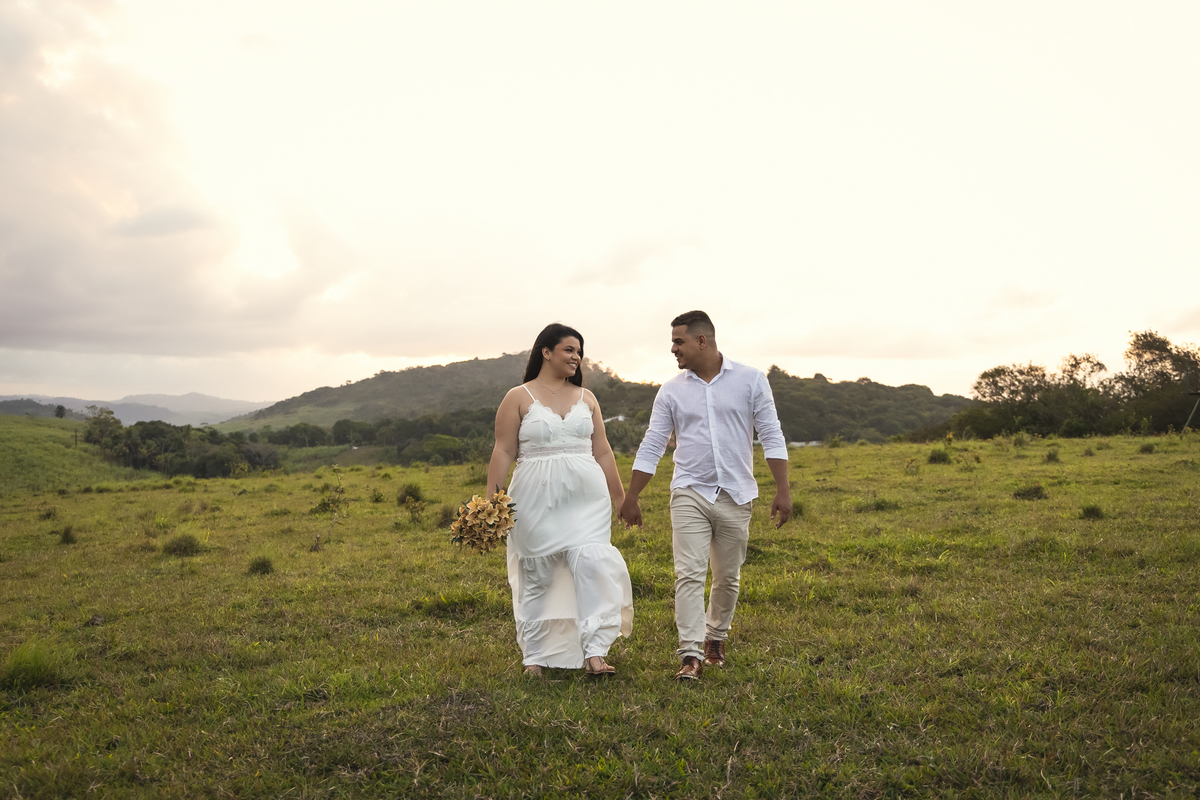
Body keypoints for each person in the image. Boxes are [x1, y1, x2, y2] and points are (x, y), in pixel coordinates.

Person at [619, 310, 791, 681]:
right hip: (689, 491)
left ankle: (716, 638)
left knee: (727, 576)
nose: (672, 349)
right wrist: (632, 495)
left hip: (736, 492)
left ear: (702, 341)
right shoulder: (671, 391)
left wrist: (783, 489)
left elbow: (771, 434)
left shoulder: (751, 381)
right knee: (688, 574)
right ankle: (691, 654)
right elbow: (653, 444)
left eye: (678, 341)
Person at [487, 323, 634, 678]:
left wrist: (621, 499)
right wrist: (492, 502)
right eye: (569, 349)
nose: (576, 357)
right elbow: (504, 449)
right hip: (534, 498)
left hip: (587, 498)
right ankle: (534, 656)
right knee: (537, 574)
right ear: (546, 351)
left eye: (579, 351)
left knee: (593, 564)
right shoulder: (518, 396)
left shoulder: (587, 398)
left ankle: (595, 652)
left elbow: (603, 451)